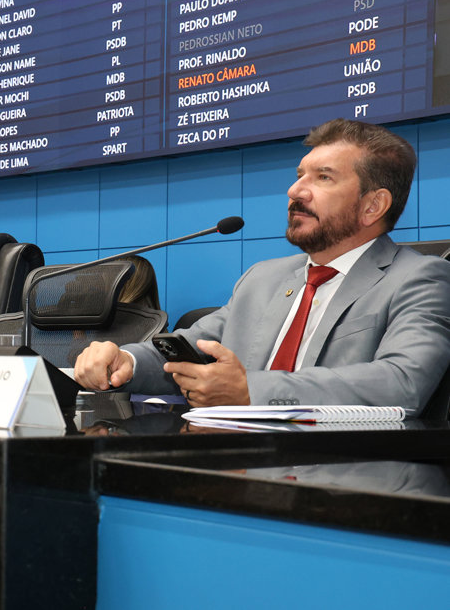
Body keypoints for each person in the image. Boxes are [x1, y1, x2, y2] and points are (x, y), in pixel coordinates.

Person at [74, 119, 450, 413]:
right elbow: (190, 349)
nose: (295, 191)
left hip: (340, 470)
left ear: (373, 206)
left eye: (323, 177)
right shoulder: (264, 278)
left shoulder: (420, 279)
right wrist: (126, 360)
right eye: (299, 175)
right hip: (234, 458)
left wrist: (251, 390)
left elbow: (402, 383)